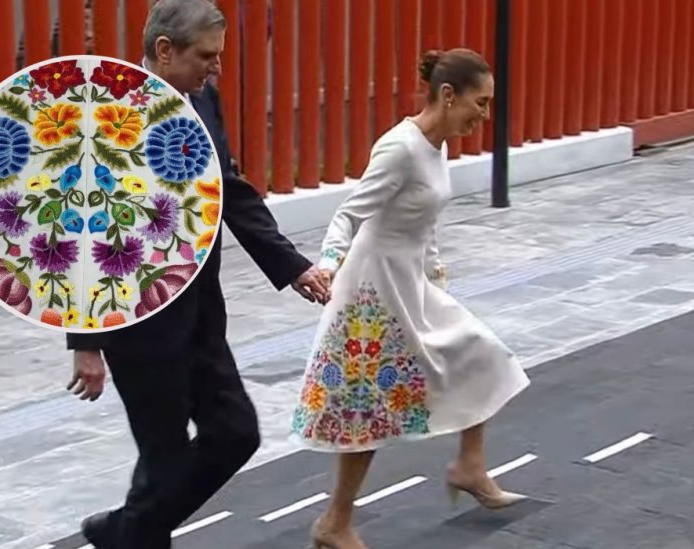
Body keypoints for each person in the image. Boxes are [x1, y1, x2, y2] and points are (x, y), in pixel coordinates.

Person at [65, 1, 329, 547]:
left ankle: (124, 530)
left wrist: (293, 265)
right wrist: (85, 342)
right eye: (207, 56)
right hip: (136, 320)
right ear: (165, 50)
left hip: (201, 309)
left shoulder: (203, 98)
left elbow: (228, 189)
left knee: (236, 434)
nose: (217, 69)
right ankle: (135, 534)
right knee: (162, 461)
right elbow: (77, 231)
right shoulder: (107, 114)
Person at [289, 48, 531, 549]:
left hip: (412, 283)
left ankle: (469, 465)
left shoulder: (436, 146)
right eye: (479, 103)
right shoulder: (400, 147)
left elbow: (424, 221)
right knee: (367, 413)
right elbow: (349, 215)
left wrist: (436, 280)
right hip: (370, 293)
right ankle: (335, 523)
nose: (484, 115)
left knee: (481, 352)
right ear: (448, 95)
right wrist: (328, 268)